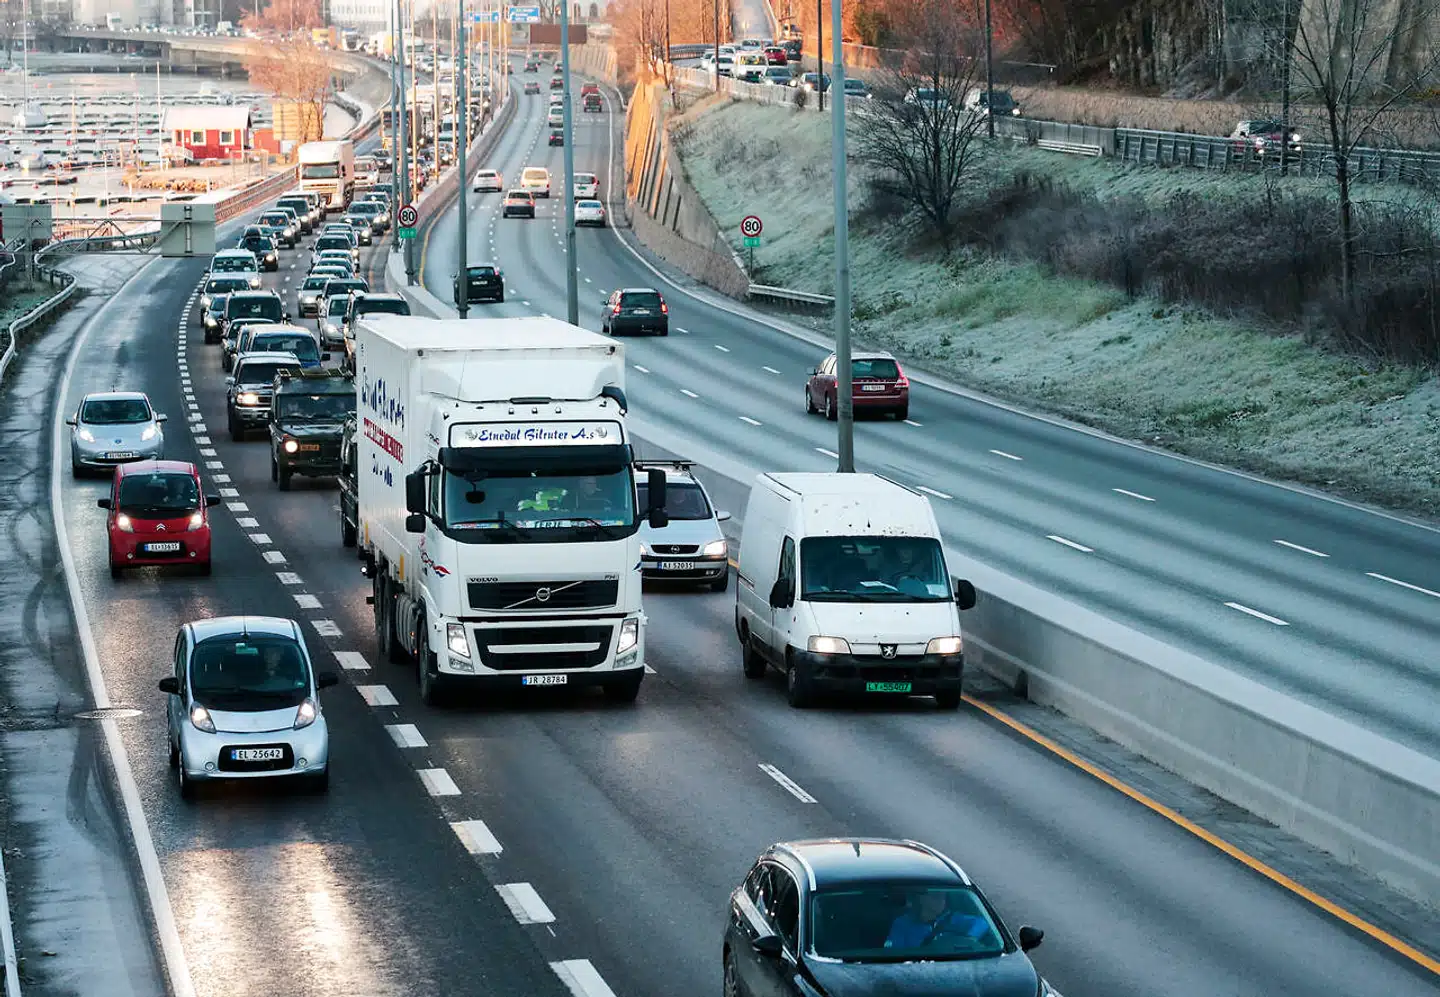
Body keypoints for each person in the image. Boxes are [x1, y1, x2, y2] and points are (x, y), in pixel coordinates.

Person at [884, 890, 991, 950]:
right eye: (935, 896)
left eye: (943, 897)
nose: (941, 900)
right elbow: (893, 953)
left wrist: (970, 938)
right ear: (921, 899)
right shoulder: (902, 924)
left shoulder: (953, 918)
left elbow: (983, 923)